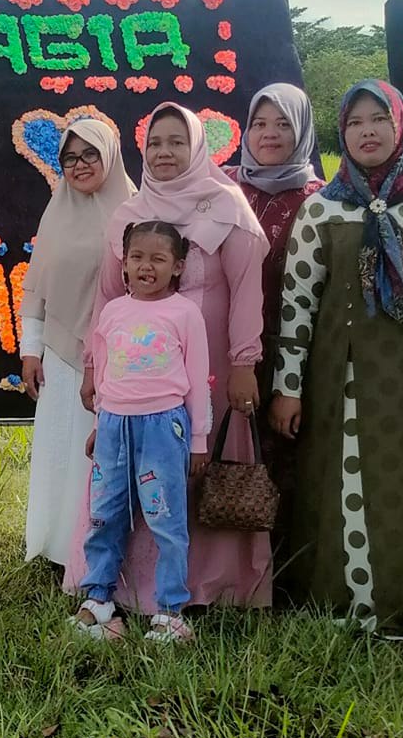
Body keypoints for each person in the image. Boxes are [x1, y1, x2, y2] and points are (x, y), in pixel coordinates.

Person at [268, 80, 403, 634]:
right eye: (354, 122)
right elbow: (297, 301)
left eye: (379, 119)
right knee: (342, 481)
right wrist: (288, 386)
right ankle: (342, 606)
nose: (367, 131)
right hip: (340, 376)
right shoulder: (322, 206)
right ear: (341, 133)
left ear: (401, 124)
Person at [83, 102, 271, 611]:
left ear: (198, 147)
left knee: (194, 471)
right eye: (155, 143)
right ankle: (124, 588)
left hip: (207, 370)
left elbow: (247, 291)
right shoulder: (130, 213)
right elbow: (106, 297)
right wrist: (93, 368)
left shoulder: (227, 206)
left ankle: (208, 587)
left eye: (176, 142)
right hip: (135, 379)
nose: (164, 152)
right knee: (129, 477)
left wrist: (244, 362)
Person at [74, 221, 211, 644]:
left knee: (165, 518)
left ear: (178, 266)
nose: (145, 267)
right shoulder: (113, 312)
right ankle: (98, 599)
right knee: (105, 512)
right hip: (114, 427)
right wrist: (99, 424)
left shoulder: (185, 313)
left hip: (163, 428)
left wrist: (198, 440)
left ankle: (170, 613)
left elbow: (198, 379)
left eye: (158, 259)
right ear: (124, 263)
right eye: (136, 257)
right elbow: (106, 373)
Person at [20, 117, 135, 588]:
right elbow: (36, 286)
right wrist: (30, 350)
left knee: (100, 455)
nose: (80, 165)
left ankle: (99, 552)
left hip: (118, 358)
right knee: (61, 452)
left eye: (90, 154)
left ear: (110, 155)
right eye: (70, 158)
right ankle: (57, 550)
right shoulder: (55, 213)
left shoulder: (134, 210)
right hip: (60, 358)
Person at [226, 83, 325, 595]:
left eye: (283, 124)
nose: (269, 135)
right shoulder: (222, 187)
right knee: (222, 458)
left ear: (302, 131)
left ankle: (278, 582)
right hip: (224, 349)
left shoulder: (321, 200)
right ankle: (221, 576)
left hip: (292, 351)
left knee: (283, 458)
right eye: (259, 124)